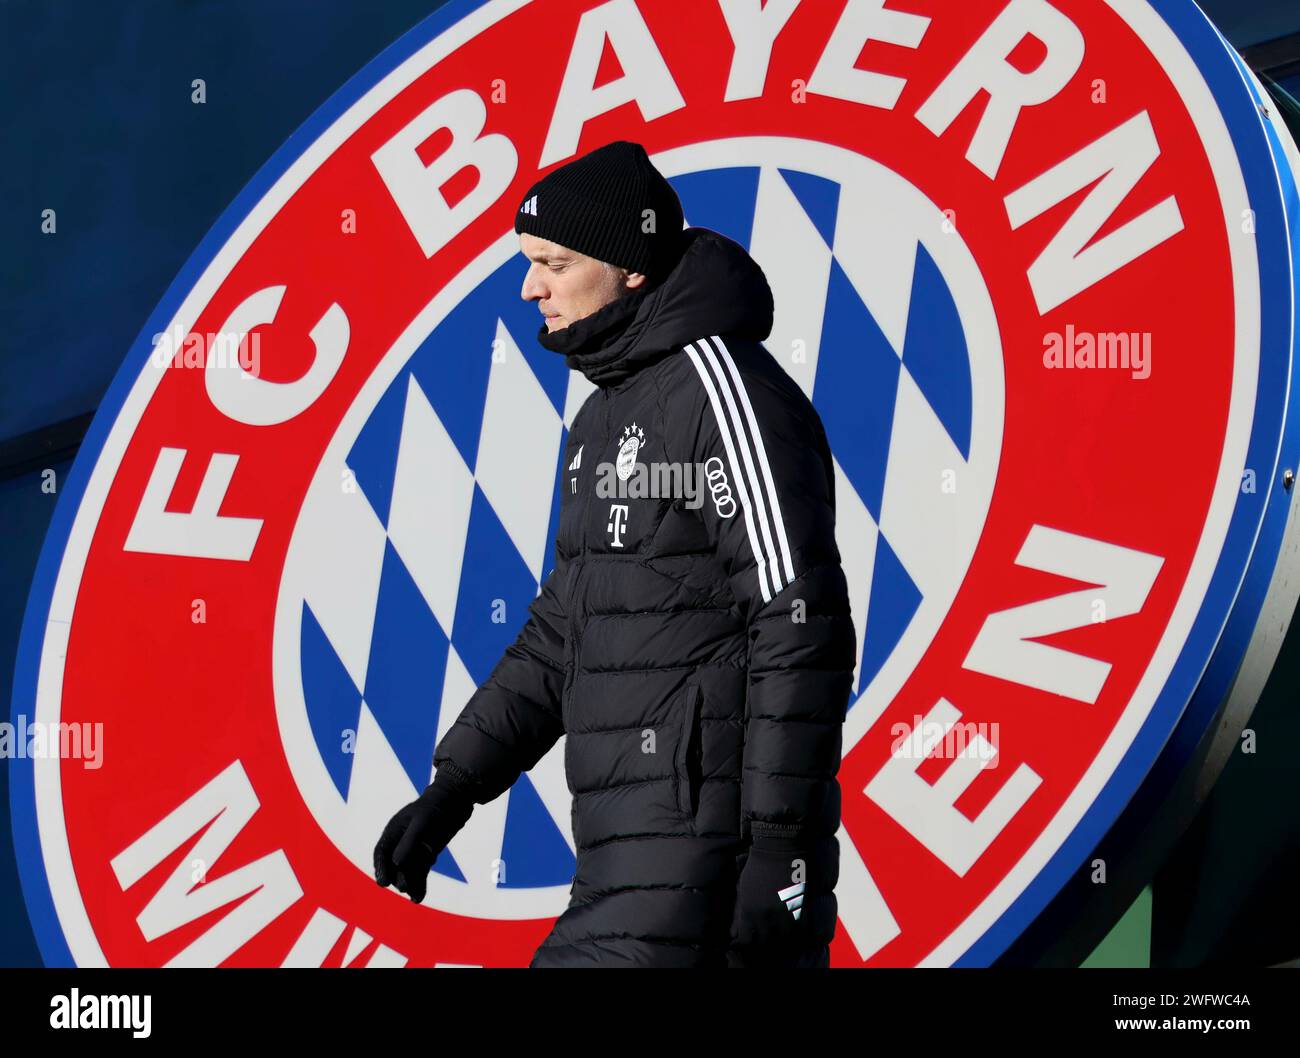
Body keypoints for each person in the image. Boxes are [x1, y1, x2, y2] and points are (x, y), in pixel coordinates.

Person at [374, 140, 856, 968]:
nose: (532, 286)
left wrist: (783, 849)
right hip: (625, 861)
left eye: (555, 262)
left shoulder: (720, 389)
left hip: (711, 866)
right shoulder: (606, 418)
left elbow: (798, 617)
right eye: (530, 262)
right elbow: (565, 630)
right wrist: (458, 785)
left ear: (630, 267)